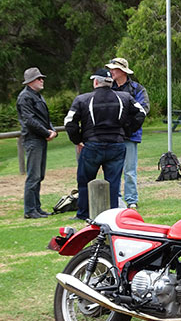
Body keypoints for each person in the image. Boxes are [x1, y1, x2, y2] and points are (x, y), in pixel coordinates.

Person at [64, 68, 146, 220]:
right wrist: (127, 130)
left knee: (85, 181)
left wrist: (78, 140)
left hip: (92, 146)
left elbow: (69, 122)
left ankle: (83, 213)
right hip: (116, 145)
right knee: (113, 182)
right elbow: (141, 113)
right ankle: (112, 214)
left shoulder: (83, 99)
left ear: (95, 82)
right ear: (111, 82)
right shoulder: (124, 97)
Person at [105, 57, 150, 209]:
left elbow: (143, 110)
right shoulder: (109, 88)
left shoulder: (137, 89)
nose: (111, 71)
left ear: (122, 71)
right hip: (113, 136)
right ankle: (115, 198)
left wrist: (128, 127)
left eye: (114, 69)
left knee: (129, 170)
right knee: (113, 168)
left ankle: (131, 200)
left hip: (130, 135)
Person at [16, 67, 58, 219]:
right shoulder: (25, 97)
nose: (42, 81)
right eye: (39, 78)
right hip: (33, 140)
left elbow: (44, 118)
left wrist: (52, 130)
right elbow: (29, 121)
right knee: (33, 176)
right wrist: (47, 132)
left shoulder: (37, 96)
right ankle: (29, 210)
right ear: (31, 81)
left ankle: (37, 208)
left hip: (40, 139)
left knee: (39, 175)